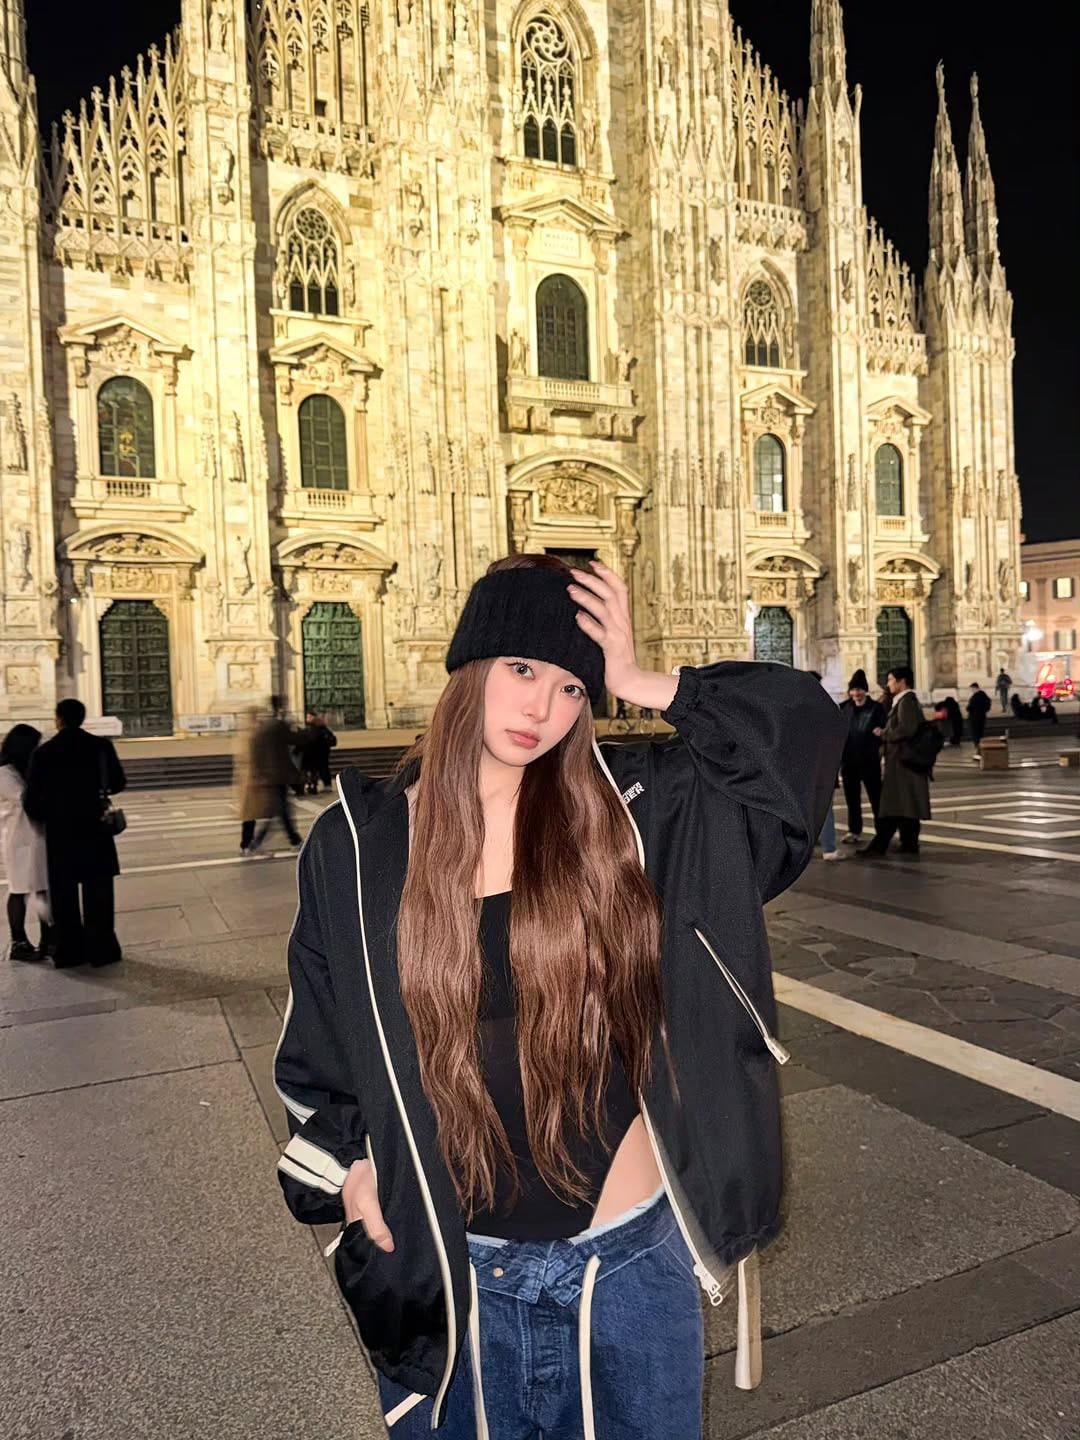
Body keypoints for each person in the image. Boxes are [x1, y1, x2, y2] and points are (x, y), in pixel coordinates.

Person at [273, 554, 844, 1437]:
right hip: (457, 1269)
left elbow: (801, 732)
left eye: (573, 687)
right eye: (522, 669)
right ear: (471, 668)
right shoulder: (357, 847)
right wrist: (349, 1169)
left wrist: (645, 682)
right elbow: (319, 1041)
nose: (542, 708)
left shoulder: (633, 814)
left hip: (628, 1269)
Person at [23, 699, 126, 968]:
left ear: (59, 719)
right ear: (82, 718)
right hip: (95, 826)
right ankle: (102, 949)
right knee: (99, 891)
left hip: (61, 831)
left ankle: (69, 951)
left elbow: (30, 800)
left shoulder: (44, 752)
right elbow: (118, 783)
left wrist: (49, 815)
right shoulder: (101, 747)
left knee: (63, 894)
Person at [857, 666, 930, 859]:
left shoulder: (906, 702)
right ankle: (908, 843)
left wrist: (884, 734)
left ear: (901, 681)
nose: (888, 684)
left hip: (902, 762)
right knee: (904, 804)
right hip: (901, 762)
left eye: (890, 680)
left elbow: (907, 728)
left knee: (894, 804)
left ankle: (881, 845)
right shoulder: (904, 701)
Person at [0, 725, 52, 962]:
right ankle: (18, 941)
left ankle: (48, 937)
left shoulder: (24, 770)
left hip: (37, 836)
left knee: (42, 888)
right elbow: (25, 798)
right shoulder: (5, 774)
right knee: (19, 889)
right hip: (19, 839)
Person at [244, 696, 303, 854]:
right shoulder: (278, 725)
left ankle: (258, 843)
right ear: (281, 707)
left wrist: (259, 772)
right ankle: (293, 840)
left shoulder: (263, 727)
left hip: (269, 776)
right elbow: (295, 739)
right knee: (282, 811)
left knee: (279, 810)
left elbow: (255, 751)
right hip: (278, 775)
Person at [838, 669, 885, 844]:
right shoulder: (844, 708)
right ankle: (854, 830)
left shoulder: (876, 708)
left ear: (865, 690)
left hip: (869, 760)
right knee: (852, 799)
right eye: (853, 690)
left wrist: (881, 733)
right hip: (849, 761)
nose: (856, 693)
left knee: (876, 797)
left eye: (859, 689)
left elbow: (884, 728)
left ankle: (882, 831)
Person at [298, 711, 337, 793]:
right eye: (307, 717)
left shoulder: (316, 728)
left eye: (309, 717)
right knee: (318, 769)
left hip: (317, 753)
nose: (307, 719)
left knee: (318, 769)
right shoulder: (319, 727)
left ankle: (320, 785)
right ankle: (320, 785)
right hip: (318, 753)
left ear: (314, 717)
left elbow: (312, 740)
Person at [967, 682, 992, 754]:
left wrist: (969, 708)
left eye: (972, 689)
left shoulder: (976, 697)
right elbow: (988, 705)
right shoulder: (983, 696)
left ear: (975, 688)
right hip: (981, 716)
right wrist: (983, 710)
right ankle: (979, 744)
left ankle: (977, 745)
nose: (972, 690)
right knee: (980, 731)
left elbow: (971, 706)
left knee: (975, 732)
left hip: (974, 717)